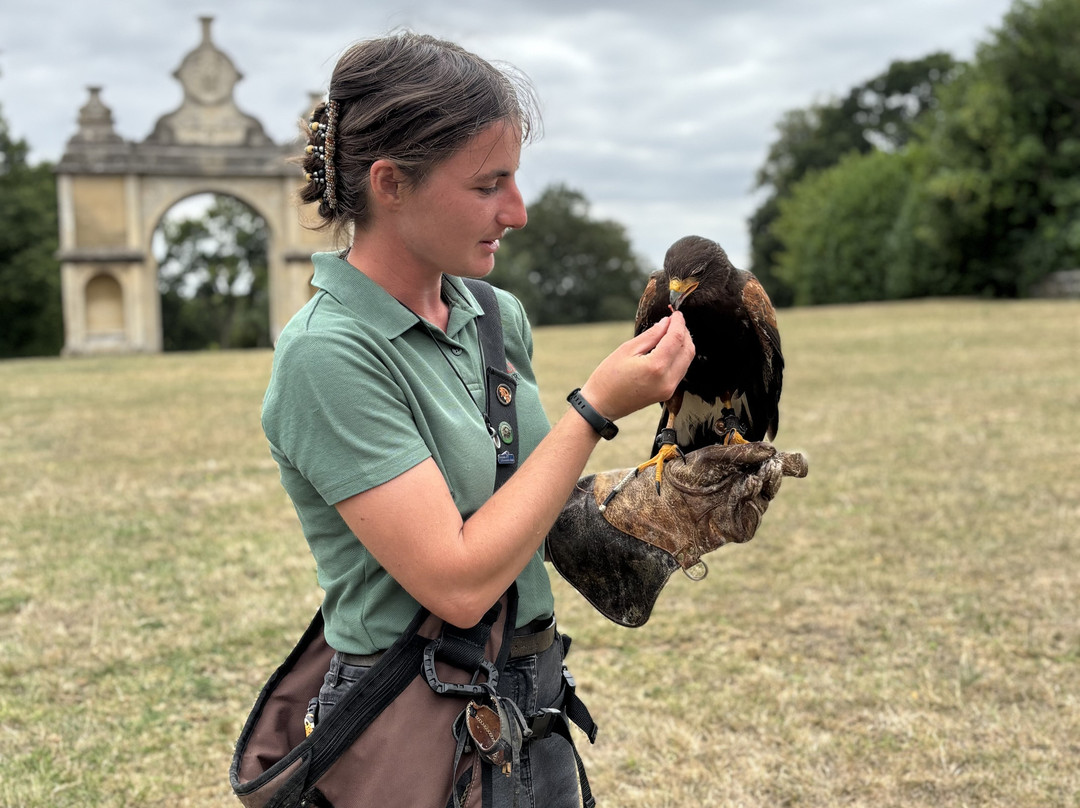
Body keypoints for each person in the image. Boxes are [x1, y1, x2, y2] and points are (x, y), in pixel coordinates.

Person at [260, 31, 695, 806]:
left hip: (536, 697)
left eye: (516, 180)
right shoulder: (326, 356)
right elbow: (458, 585)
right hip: (410, 724)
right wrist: (594, 410)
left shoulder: (496, 316)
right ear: (391, 183)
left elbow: (526, 504)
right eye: (490, 184)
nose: (518, 212)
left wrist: (674, 490)